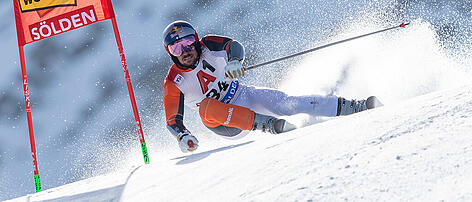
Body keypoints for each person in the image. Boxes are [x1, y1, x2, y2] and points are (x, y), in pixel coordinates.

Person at [162, 20, 381, 153]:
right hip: (226, 123)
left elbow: (233, 46)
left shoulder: (209, 44)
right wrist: (183, 136)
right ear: (170, 53)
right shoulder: (174, 82)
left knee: (288, 103)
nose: (184, 51)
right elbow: (172, 120)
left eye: (188, 42)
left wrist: (235, 62)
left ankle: (355, 106)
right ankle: (267, 125)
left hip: (243, 94)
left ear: (196, 40)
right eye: (176, 47)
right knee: (205, 108)